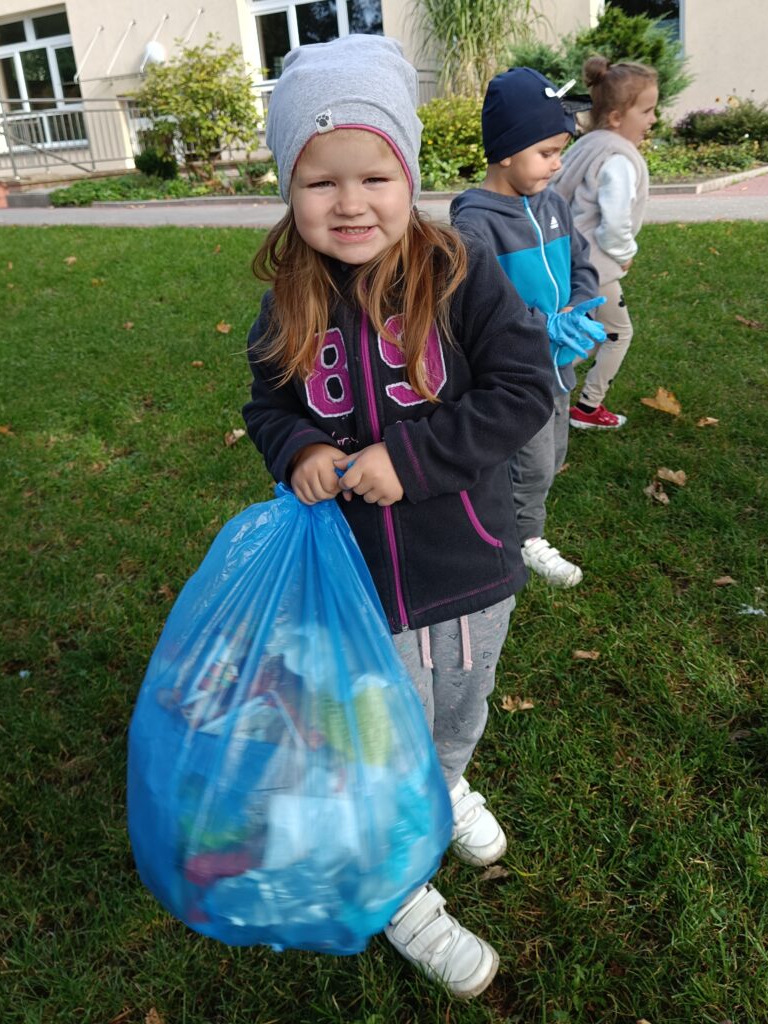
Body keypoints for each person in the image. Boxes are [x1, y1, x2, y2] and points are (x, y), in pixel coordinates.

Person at [241, 35, 555, 998]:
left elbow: (524, 386)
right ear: (289, 190)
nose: (349, 203)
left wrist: (408, 459)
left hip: (467, 559)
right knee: (371, 736)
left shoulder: (459, 272)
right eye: (319, 182)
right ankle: (401, 889)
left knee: (456, 710)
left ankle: (448, 783)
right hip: (356, 585)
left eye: (374, 175)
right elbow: (270, 403)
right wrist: (298, 449)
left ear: (408, 173)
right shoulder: (286, 299)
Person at [451, 67, 606, 588]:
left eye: (561, 149)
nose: (558, 163)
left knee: (551, 453)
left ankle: (506, 514)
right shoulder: (476, 224)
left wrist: (581, 306)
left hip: (559, 364)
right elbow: (482, 302)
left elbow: (582, 264)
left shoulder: (553, 203)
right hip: (517, 370)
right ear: (506, 152)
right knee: (533, 463)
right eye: (547, 152)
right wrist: (541, 328)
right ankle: (521, 542)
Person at [552, 57, 659, 430]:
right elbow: (613, 224)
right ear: (616, 117)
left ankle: (548, 381)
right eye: (646, 111)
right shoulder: (619, 160)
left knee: (589, 331)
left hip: (570, 259)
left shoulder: (588, 144)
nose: (652, 119)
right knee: (618, 333)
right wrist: (626, 254)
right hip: (596, 266)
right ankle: (584, 406)